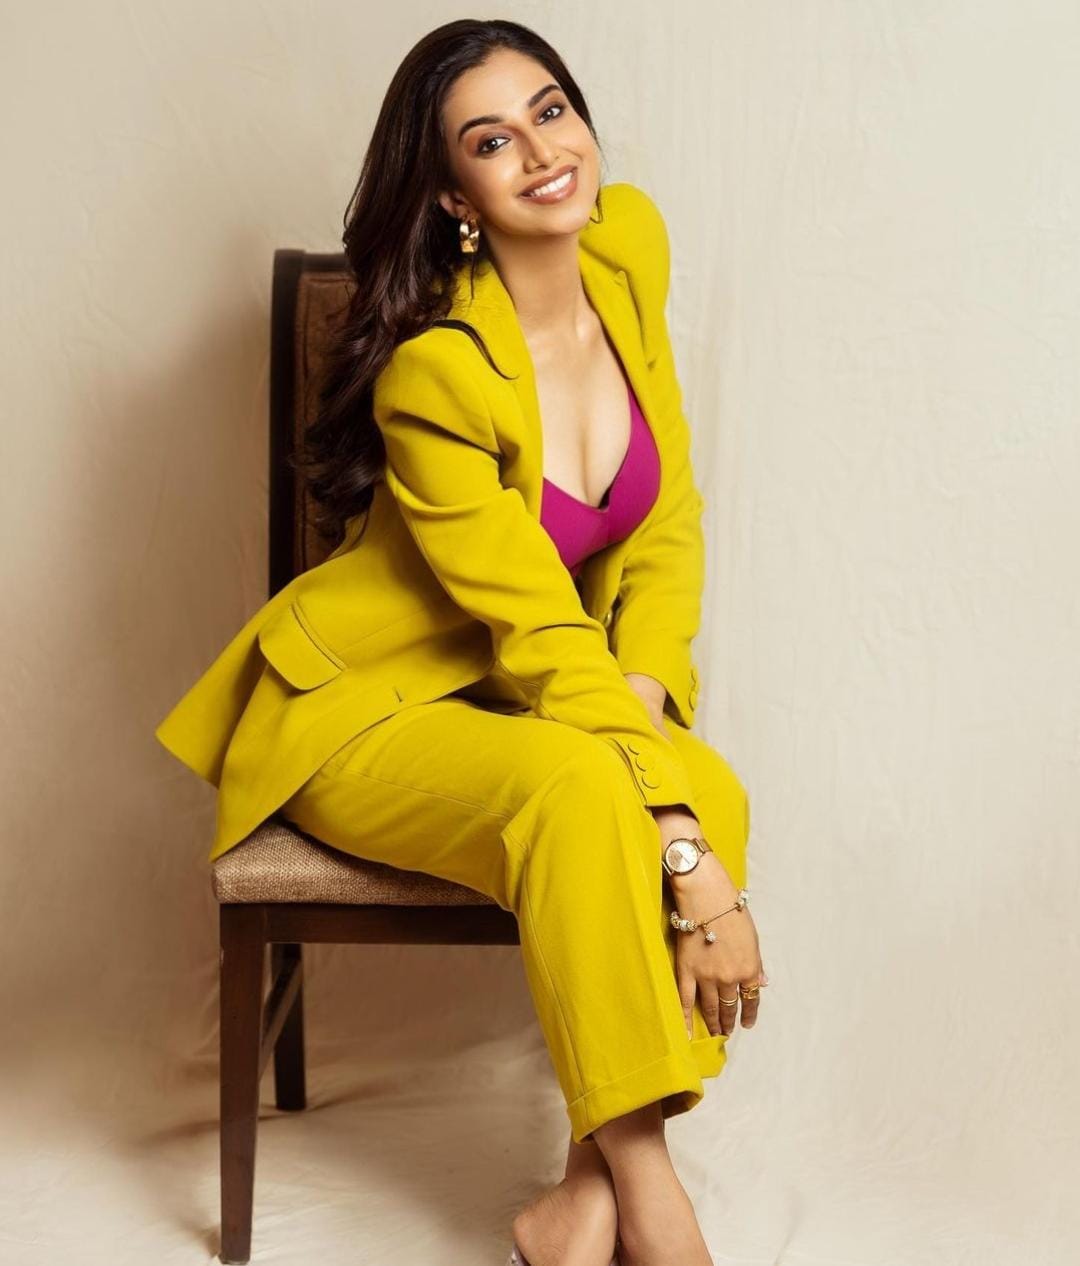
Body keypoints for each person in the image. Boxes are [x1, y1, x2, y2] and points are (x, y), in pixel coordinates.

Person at [155, 18, 768, 1266]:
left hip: (509, 697)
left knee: (704, 783)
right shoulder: (435, 375)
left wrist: (648, 709)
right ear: (453, 197)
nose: (541, 154)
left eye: (551, 111)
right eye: (492, 142)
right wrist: (688, 863)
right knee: (587, 791)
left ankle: (575, 1205)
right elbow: (535, 624)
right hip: (359, 715)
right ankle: (654, 1204)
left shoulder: (629, 252)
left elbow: (667, 525)